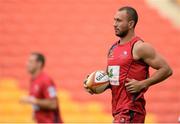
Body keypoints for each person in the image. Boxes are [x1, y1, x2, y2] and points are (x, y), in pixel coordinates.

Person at [84, 6, 173, 123]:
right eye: (114, 20)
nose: (114, 24)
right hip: (118, 111)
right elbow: (112, 80)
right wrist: (95, 85)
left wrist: (143, 84)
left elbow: (166, 69)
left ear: (131, 24)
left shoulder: (139, 47)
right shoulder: (113, 48)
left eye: (119, 21)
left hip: (131, 110)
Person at [20, 52, 63, 123]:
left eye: (30, 61)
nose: (27, 64)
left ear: (39, 64)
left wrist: (33, 101)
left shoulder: (46, 80)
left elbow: (53, 104)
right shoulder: (33, 80)